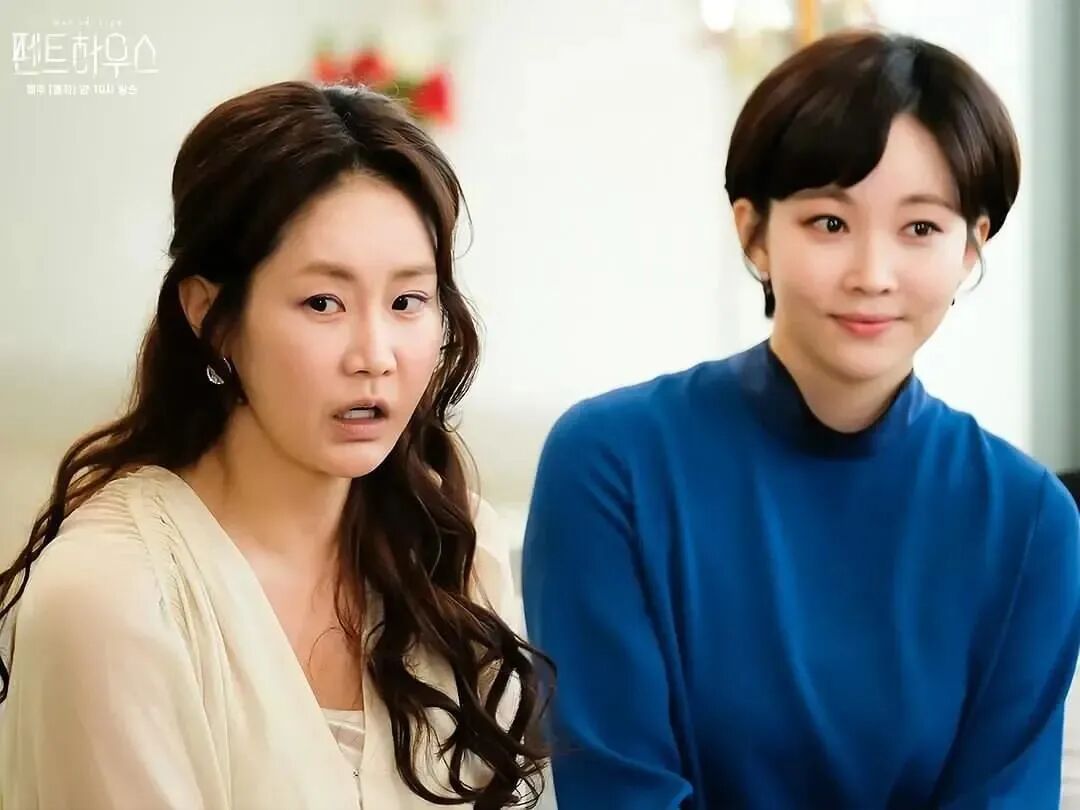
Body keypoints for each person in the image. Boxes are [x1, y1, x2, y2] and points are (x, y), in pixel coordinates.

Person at [522, 30, 1080, 809]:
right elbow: (618, 792)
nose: (873, 275)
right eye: (829, 223)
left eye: (921, 228)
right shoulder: (610, 464)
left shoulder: (1029, 521)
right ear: (753, 232)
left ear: (970, 247)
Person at [0, 81, 551, 810]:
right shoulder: (113, 597)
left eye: (407, 301)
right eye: (323, 303)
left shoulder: (454, 548)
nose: (375, 355)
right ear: (211, 316)